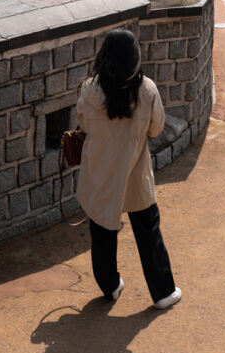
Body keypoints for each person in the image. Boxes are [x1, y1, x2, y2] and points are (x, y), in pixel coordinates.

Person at [75, 28, 181, 309]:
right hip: (134, 172)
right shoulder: (146, 90)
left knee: (101, 230)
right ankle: (163, 292)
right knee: (148, 230)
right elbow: (157, 129)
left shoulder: (89, 89)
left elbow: (83, 125)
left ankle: (110, 287)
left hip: (99, 172)